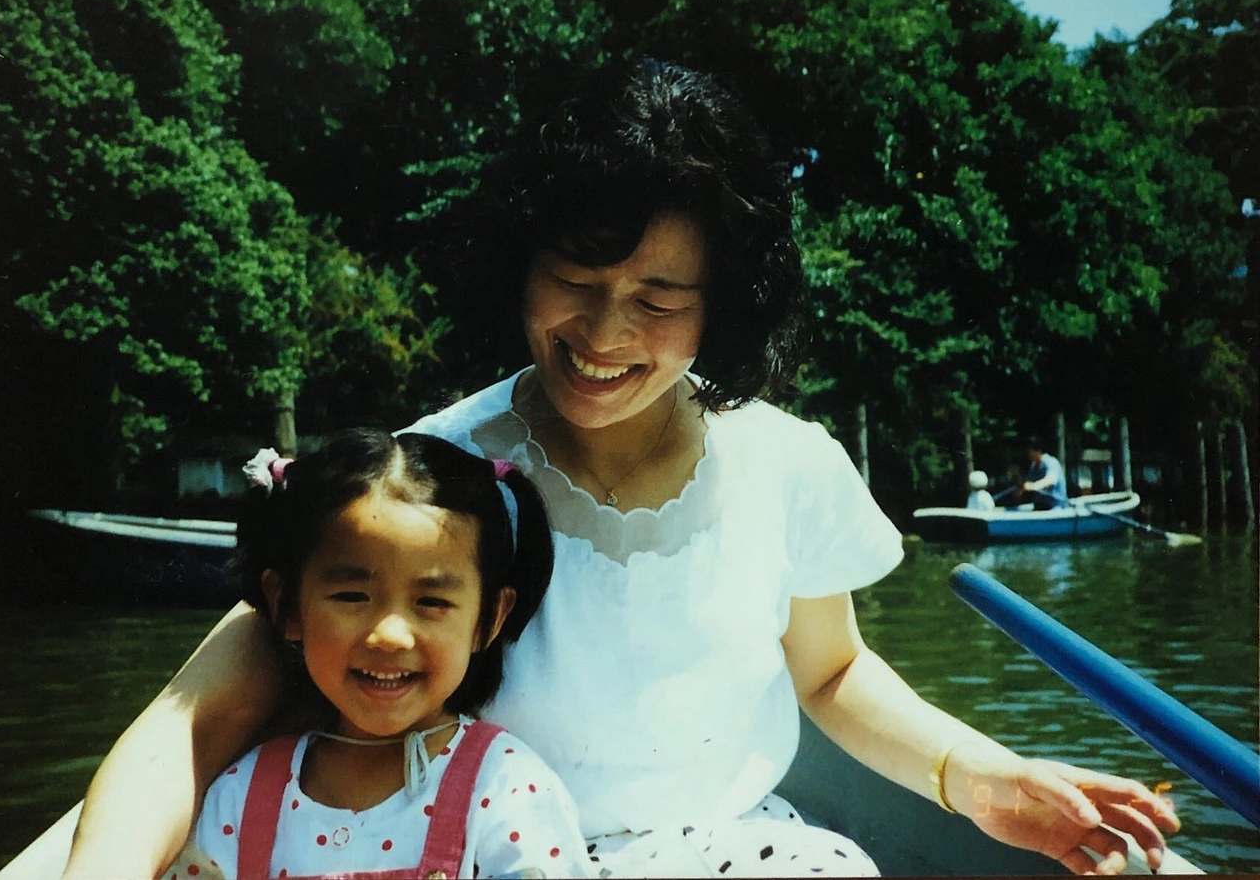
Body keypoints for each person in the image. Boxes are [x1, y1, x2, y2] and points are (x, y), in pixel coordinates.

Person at [62, 60, 1178, 879]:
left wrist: (979, 778)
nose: (604, 335)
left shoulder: (788, 461)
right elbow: (196, 717)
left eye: (658, 298)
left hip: (744, 854)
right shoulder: (431, 479)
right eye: (576, 279)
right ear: (520, 264)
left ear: (723, 303)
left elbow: (831, 672)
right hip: (486, 854)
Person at [166, 431, 592, 879]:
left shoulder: (506, 791)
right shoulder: (239, 797)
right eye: (352, 596)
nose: (390, 636)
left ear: (490, 618)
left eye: (431, 602)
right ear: (287, 606)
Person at [1019, 436, 1069, 510]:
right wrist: (1021, 488)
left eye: (1029, 452)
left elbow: (1049, 481)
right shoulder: (1034, 466)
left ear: (1038, 450)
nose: (1028, 455)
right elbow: (1028, 483)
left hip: (1056, 506)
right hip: (1041, 505)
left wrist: (1033, 486)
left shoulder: (1051, 462)